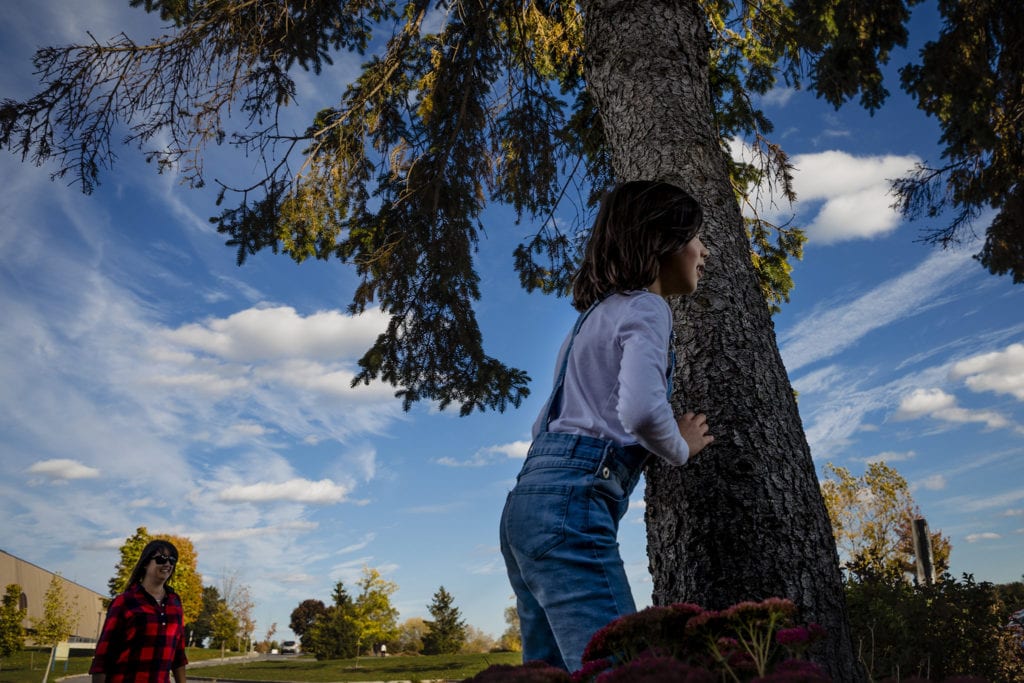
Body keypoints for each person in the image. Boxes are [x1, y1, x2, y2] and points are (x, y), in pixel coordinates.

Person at [499, 180, 715, 673]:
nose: (704, 252)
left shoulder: (592, 319)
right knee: (621, 668)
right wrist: (678, 445)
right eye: (697, 237)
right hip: (571, 508)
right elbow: (639, 409)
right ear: (663, 241)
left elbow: (544, 425)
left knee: (548, 672)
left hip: (527, 504)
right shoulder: (647, 306)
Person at [90, 540, 188, 683]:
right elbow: (103, 658)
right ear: (145, 563)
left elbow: (178, 654)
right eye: (161, 559)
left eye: (172, 560)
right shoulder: (124, 602)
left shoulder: (175, 602)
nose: (167, 564)